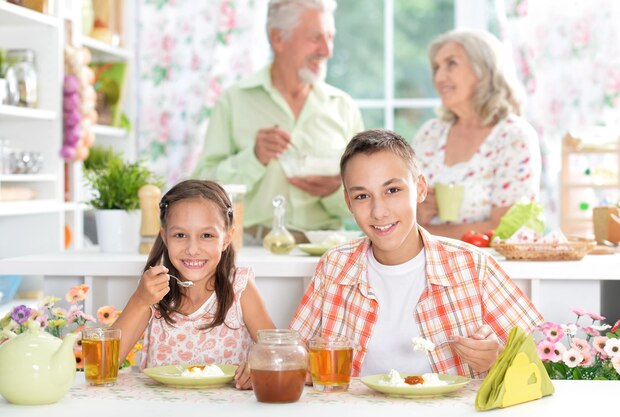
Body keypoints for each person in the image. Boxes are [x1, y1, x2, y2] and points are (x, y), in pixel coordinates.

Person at [290, 129, 543, 378]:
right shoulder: (334, 266)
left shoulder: (473, 266)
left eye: (392, 191)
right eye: (362, 196)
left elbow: (540, 365)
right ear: (348, 203)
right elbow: (293, 356)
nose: (379, 211)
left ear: (420, 188)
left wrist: (497, 358)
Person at [193, 0, 363, 241]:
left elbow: (368, 197)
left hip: (328, 252)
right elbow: (201, 192)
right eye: (315, 38)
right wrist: (253, 158)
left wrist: (336, 190)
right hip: (254, 251)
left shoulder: (343, 106)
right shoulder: (233, 101)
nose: (327, 51)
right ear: (277, 38)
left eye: (330, 37)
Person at [112, 179, 275, 390]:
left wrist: (260, 365)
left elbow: (278, 352)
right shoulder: (153, 292)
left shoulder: (240, 288)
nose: (192, 249)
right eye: (180, 235)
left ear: (227, 238)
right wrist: (140, 301)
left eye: (206, 235)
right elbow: (105, 362)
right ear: (165, 237)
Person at [411, 29, 541, 240]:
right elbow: (401, 213)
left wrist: (421, 234)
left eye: (451, 63)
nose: (439, 76)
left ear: (484, 71)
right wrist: (416, 213)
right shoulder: (430, 133)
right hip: (430, 266)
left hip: (493, 269)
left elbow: (506, 229)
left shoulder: (514, 136)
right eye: (436, 68)